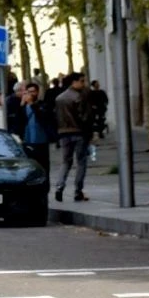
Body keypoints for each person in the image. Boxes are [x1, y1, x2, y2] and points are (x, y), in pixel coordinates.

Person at [53, 73, 89, 203]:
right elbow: (84, 117)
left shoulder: (59, 98)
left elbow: (56, 117)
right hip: (78, 132)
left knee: (66, 161)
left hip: (63, 133)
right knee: (81, 162)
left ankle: (59, 186)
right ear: (74, 82)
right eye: (81, 81)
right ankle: (78, 190)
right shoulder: (79, 97)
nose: (83, 84)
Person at [15, 82, 55, 177]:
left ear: (37, 92)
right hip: (27, 139)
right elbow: (18, 122)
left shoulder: (42, 104)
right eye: (28, 92)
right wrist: (22, 105)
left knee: (43, 165)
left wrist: (32, 104)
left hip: (41, 140)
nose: (31, 94)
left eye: (33, 91)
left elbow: (43, 117)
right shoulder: (23, 107)